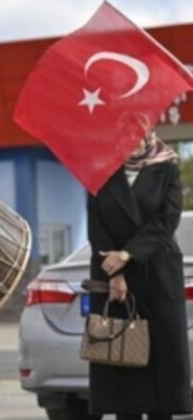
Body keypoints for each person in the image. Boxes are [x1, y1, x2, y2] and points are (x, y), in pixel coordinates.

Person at [86, 118, 191, 420]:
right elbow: (97, 225)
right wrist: (115, 272)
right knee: (124, 379)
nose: (132, 138)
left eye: (138, 132)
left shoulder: (167, 165)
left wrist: (128, 253)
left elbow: (167, 219)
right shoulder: (101, 170)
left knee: (161, 383)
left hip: (156, 274)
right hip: (116, 281)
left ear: (148, 133)